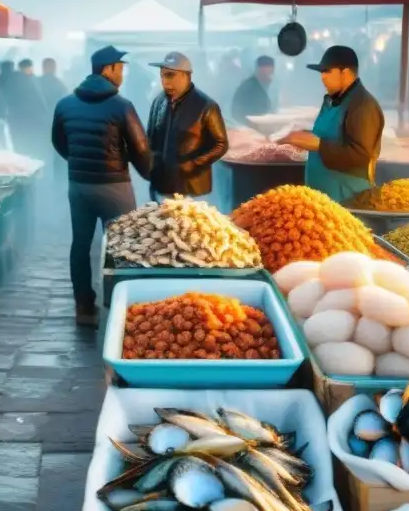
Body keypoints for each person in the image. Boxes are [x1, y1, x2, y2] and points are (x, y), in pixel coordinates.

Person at [52, 45, 151, 327]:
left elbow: (59, 142)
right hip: (114, 187)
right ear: (108, 70)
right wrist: (149, 174)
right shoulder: (122, 106)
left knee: (80, 245)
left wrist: (78, 162)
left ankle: (84, 307)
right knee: (123, 246)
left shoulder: (65, 103)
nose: (122, 73)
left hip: (79, 186)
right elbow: (141, 148)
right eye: (120, 68)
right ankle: (117, 305)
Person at [281, 45, 384, 202]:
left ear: (345, 72)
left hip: (348, 199)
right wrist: (304, 136)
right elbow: (330, 134)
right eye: (321, 72)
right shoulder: (331, 100)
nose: (322, 77)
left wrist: (318, 145)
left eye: (327, 71)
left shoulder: (363, 105)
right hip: (322, 198)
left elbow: (360, 155)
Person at [145, 52, 228, 201]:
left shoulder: (206, 106)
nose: (165, 82)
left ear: (186, 76)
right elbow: (150, 138)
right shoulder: (159, 101)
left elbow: (221, 144)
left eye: (170, 75)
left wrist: (195, 163)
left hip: (192, 190)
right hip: (161, 186)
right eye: (162, 75)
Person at [2, 58, 49, 157]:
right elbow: (38, 101)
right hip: (30, 122)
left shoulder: (12, 81)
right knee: (31, 151)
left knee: (21, 150)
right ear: (28, 68)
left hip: (17, 121)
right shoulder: (29, 81)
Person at [230, 56, 276, 125]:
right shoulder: (248, 86)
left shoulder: (268, 85)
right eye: (268, 70)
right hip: (248, 126)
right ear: (260, 69)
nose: (271, 73)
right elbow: (237, 112)